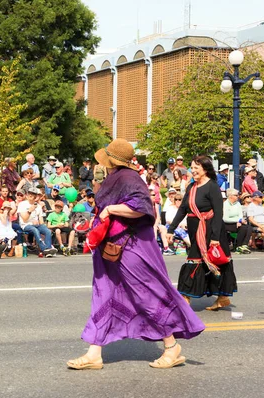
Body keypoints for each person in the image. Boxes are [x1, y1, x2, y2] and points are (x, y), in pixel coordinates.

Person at [67, 139, 204, 371]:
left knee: (147, 294)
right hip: (113, 246)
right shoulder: (117, 177)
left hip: (131, 247)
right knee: (105, 295)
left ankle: (172, 347)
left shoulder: (129, 178)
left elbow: (141, 207)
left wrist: (110, 209)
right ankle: (94, 352)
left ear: (111, 161)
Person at [167, 155, 239, 310]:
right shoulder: (191, 188)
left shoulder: (212, 186)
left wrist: (214, 238)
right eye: (191, 168)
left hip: (211, 230)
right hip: (196, 231)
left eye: (196, 168)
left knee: (213, 262)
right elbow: (183, 210)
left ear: (205, 169)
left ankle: (191, 296)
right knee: (198, 262)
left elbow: (218, 213)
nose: (193, 171)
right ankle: (198, 296)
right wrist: (171, 229)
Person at [18, 187, 57, 257]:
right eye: (29, 193)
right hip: (26, 225)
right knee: (35, 230)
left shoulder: (38, 206)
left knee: (47, 231)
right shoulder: (22, 204)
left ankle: (48, 248)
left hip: (36, 225)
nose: (30, 195)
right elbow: (24, 219)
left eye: (32, 194)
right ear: (27, 194)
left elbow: (41, 220)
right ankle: (44, 248)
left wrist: (41, 226)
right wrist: (30, 211)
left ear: (35, 196)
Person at [222, 188, 252, 254]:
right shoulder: (225, 205)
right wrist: (237, 220)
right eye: (236, 195)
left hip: (238, 222)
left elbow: (240, 215)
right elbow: (225, 218)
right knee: (243, 228)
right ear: (231, 196)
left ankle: (244, 245)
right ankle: (238, 246)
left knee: (248, 227)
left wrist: (240, 220)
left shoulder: (237, 204)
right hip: (227, 223)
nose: (238, 196)